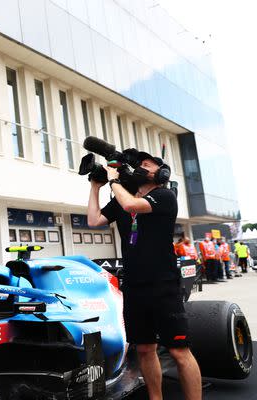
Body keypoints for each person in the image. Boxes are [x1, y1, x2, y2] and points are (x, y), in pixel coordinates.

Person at [87, 152, 201, 400]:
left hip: (164, 284)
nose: (141, 167)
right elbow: (94, 220)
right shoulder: (121, 199)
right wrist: (96, 186)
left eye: (147, 164)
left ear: (161, 173)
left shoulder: (164, 195)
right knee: (145, 349)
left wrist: (114, 180)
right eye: (139, 164)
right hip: (135, 286)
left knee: (179, 350)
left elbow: (131, 206)